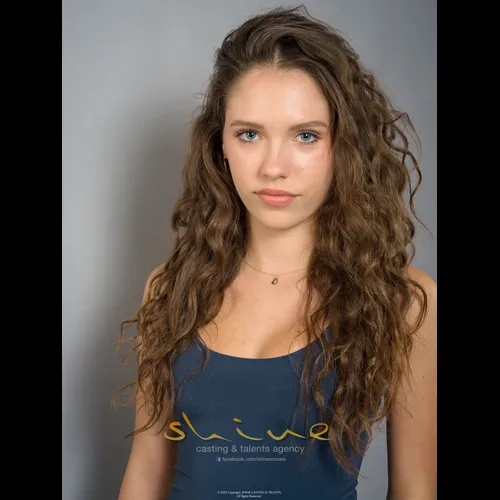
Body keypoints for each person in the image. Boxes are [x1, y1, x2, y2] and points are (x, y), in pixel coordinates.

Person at [116, 5, 437, 500]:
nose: (273, 167)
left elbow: (415, 488)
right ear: (221, 145)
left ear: (344, 146)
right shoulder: (170, 289)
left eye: (306, 136)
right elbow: (146, 474)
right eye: (250, 134)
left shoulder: (405, 301)